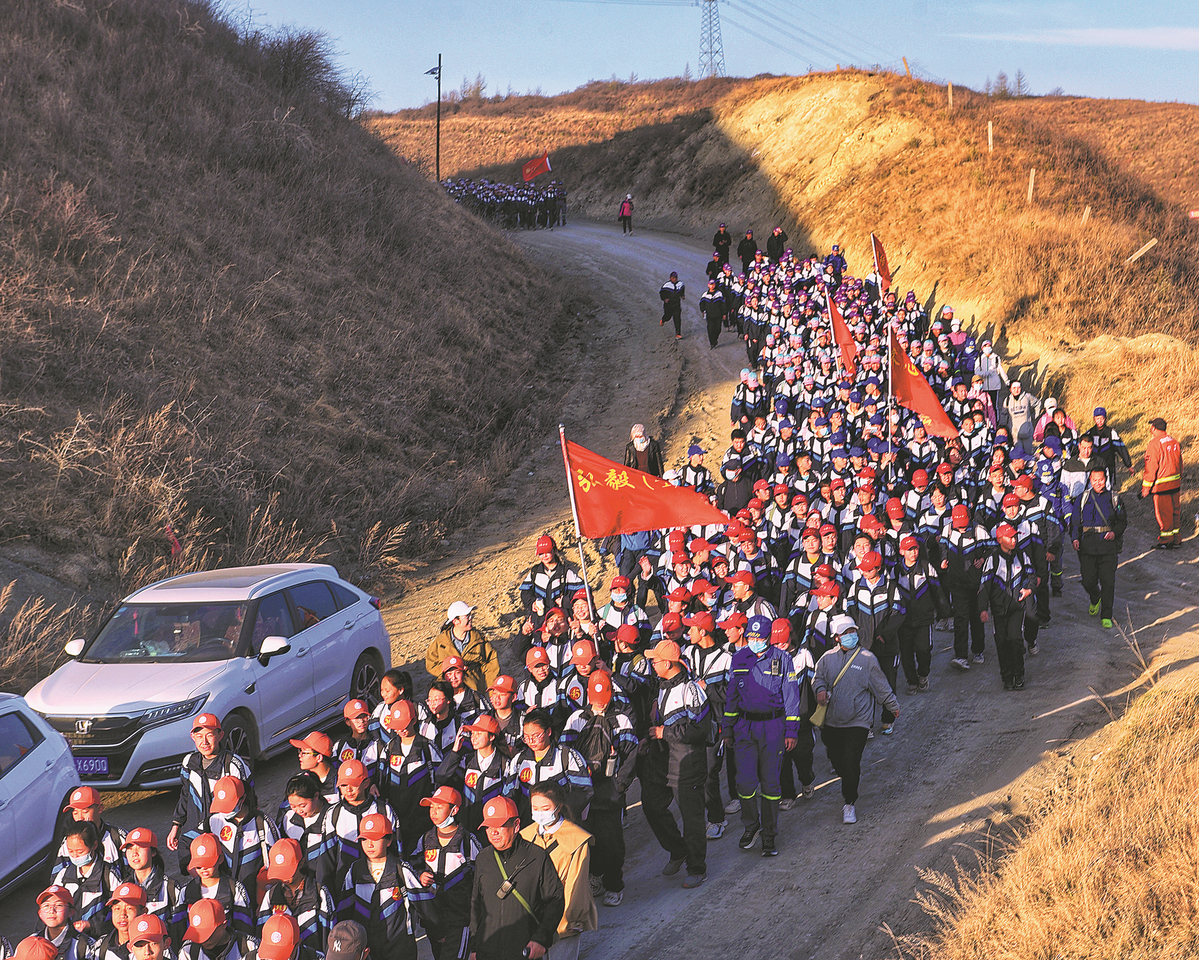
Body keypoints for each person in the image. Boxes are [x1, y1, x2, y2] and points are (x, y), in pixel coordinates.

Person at [722, 615, 800, 857]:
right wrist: (727, 728)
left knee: (770, 785)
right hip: (744, 727)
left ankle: (769, 834)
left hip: (773, 727)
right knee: (744, 783)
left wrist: (792, 730)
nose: (755, 641)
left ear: (768, 638)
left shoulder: (783, 659)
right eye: (751, 637)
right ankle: (751, 825)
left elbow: (791, 697)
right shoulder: (739, 658)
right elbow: (732, 696)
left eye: (760, 637)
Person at [812, 615, 900, 824]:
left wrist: (893, 706)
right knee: (837, 758)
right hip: (832, 722)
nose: (851, 636)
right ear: (836, 638)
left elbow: (881, 686)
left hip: (858, 721)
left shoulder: (867, 659)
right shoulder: (826, 659)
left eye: (853, 631)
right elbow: (818, 678)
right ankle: (846, 777)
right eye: (846, 633)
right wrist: (820, 689)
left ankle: (849, 802)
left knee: (851, 761)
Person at [559, 672, 637, 907]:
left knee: (611, 841)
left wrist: (620, 784)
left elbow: (631, 755)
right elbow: (564, 751)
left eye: (603, 696)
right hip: (582, 791)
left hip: (608, 790)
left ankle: (614, 884)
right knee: (586, 839)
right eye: (595, 696)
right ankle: (595, 875)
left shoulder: (621, 720)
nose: (599, 701)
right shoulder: (576, 719)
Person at [641, 640, 711, 888]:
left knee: (691, 817)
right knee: (651, 806)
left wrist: (664, 733)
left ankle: (696, 868)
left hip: (687, 761)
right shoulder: (661, 686)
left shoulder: (691, 690)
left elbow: (700, 730)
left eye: (655, 660)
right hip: (662, 760)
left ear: (668, 663)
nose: (652, 663)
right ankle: (678, 849)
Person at [469, 796, 565, 960]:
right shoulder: (482, 858)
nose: (493, 832)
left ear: (516, 825)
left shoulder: (537, 857)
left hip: (524, 951)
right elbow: (475, 904)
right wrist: (474, 946)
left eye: (500, 825)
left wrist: (540, 938)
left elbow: (555, 901)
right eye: (488, 826)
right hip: (487, 951)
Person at [167, 713, 253, 873]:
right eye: (199, 736)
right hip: (197, 834)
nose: (204, 741)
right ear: (192, 737)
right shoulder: (188, 762)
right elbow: (185, 795)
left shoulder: (234, 765)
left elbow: (250, 802)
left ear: (220, 735)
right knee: (200, 880)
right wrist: (176, 825)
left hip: (225, 836)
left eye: (209, 735)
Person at [518, 784, 596, 960]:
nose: (539, 813)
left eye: (545, 808)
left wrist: (571, 919)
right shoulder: (524, 836)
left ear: (559, 806)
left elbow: (577, 885)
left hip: (562, 918)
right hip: (531, 917)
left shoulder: (577, 839)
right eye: (535, 808)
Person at [336, 815, 421, 960]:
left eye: (375, 839)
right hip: (367, 947)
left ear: (389, 841)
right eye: (364, 839)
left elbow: (422, 903)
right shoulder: (355, 870)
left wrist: (437, 932)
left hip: (399, 946)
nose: (369, 845)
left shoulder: (401, 869)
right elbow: (345, 909)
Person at [409, 788, 479, 960]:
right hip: (433, 919)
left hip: (460, 919)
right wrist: (420, 875)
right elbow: (411, 865)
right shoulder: (425, 839)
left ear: (454, 810)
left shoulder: (468, 841)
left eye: (439, 807)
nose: (433, 811)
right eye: (431, 807)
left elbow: (482, 875)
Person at [978, 522, 1036, 689]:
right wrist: (983, 609)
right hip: (998, 610)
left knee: (1016, 639)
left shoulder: (1022, 555)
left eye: (1015, 536)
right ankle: (1007, 678)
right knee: (1002, 642)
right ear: (999, 539)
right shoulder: (992, 560)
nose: (1014, 539)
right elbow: (984, 586)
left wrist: (1028, 590)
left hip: (1017, 608)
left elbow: (1032, 575)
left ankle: (1019, 675)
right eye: (1010, 537)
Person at [1072, 466, 1128, 629]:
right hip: (1087, 547)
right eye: (1095, 480)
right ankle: (1095, 597)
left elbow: (1122, 521)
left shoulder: (1115, 498)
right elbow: (1075, 521)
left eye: (1101, 479)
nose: (1098, 483)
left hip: (1108, 547)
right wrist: (1075, 538)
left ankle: (1106, 615)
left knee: (1108, 582)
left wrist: (1114, 533)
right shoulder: (1082, 498)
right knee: (1088, 580)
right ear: (1090, 481)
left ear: (1106, 479)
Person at [427, 602, 500, 693]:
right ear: (455, 621)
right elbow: (431, 664)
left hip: (473, 690)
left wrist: (493, 693)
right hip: (448, 691)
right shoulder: (441, 641)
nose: (471, 618)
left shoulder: (479, 640)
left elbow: (491, 667)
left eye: (470, 615)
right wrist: (450, 671)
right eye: (467, 616)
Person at [55, 786, 125, 875]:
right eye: (75, 813)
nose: (80, 817)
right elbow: (57, 877)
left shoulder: (118, 837)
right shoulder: (68, 842)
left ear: (100, 808)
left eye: (85, 811)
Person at [1141, 416, 1183, 549]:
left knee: (1164, 514)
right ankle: (1176, 539)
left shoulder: (1154, 444)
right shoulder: (1174, 442)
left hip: (1162, 487)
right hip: (1175, 485)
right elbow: (1180, 463)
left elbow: (1151, 467)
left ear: (1153, 428)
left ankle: (1166, 540)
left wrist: (1146, 487)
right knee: (1175, 512)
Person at [31, 885, 90, 960]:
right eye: (46, 905)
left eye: (59, 905)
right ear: (40, 913)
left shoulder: (84, 945)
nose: (51, 911)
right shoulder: (31, 941)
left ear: (71, 912)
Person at [699, 280, 727, 350]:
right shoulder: (705, 295)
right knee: (710, 329)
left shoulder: (719, 294)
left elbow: (723, 304)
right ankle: (712, 343)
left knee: (718, 329)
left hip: (718, 315)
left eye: (713, 284)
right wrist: (703, 311)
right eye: (710, 284)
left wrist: (724, 313)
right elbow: (702, 304)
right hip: (710, 315)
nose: (712, 286)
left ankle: (715, 339)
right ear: (708, 285)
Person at [659, 272, 685, 340]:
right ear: (670, 278)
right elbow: (662, 294)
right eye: (673, 278)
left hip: (676, 305)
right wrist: (664, 299)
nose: (675, 279)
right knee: (668, 316)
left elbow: (682, 290)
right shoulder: (666, 285)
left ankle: (678, 333)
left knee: (677, 319)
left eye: (676, 277)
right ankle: (663, 319)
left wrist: (682, 295)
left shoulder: (680, 284)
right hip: (668, 305)